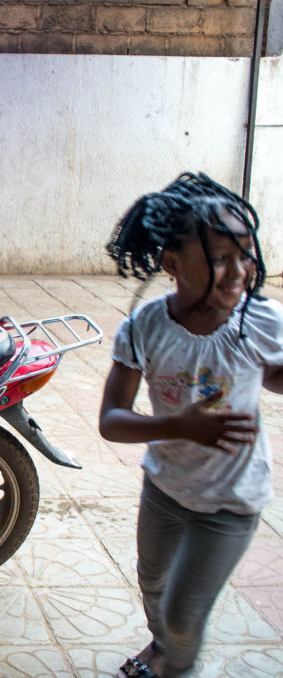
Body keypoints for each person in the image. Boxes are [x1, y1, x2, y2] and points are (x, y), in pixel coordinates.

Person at [99, 173, 283, 678]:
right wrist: (179, 425)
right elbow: (111, 421)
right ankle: (164, 648)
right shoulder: (145, 328)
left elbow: (276, 376)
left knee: (184, 614)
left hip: (231, 501)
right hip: (165, 488)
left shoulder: (260, 321)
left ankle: (174, 662)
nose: (239, 271)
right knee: (153, 583)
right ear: (172, 264)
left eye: (246, 254)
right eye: (220, 258)